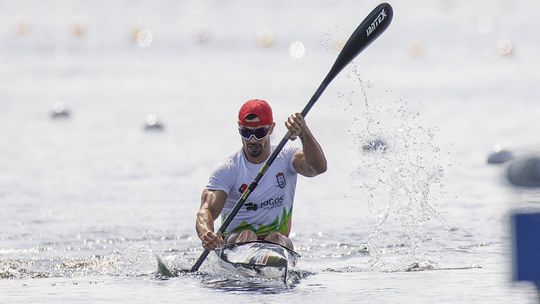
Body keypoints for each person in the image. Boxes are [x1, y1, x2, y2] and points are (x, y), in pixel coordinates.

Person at [195, 99, 327, 251]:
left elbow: (318, 167)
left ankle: (270, 262)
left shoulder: (287, 158)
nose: (252, 139)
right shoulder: (227, 170)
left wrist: (303, 132)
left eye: (259, 132)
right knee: (247, 235)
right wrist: (207, 233)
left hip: (277, 244)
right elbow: (206, 211)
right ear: (239, 129)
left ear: (271, 129)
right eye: (246, 132)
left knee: (275, 238)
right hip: (235, 243)